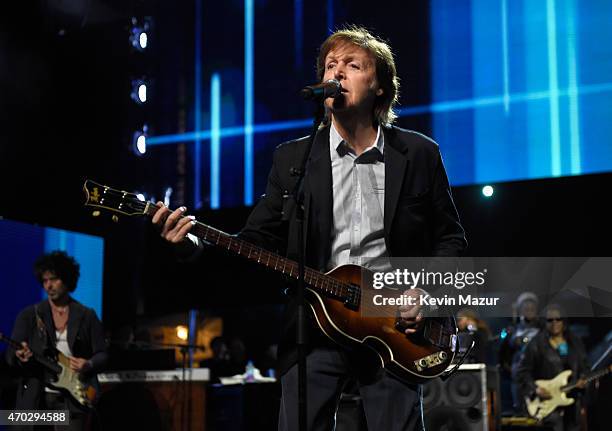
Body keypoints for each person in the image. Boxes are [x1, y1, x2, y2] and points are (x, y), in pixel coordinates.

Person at [153, 25, 466, 431]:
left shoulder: (419, 153)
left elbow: (450, 238)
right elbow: (254, 243)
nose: (336, 73)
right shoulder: (293, 159)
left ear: (381, 89)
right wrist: (193, 244)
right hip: (316, 323)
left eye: (352, 65)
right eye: (330, 65)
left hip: (395, 325)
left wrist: (425, 292)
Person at [5, 251, 107, 431]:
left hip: (73, 400)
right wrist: (19, 355)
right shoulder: (29, 315)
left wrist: (88, 364)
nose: (48, 285)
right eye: (44, 281)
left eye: (54, 279)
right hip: (35, 398)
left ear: (67, 280)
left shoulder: (86, 315)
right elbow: (10, 355)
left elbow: (103, 354)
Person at [515, 304, 589, 431]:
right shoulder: (536, 344)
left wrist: (583, 379)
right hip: (548, 404)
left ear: (564, 321)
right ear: (545, 322)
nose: (554, 323)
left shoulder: (575, 342)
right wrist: (535, 388)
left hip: (572, 401)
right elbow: (522, 372)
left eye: (558, 319)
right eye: (550, 320)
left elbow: (585, 366)